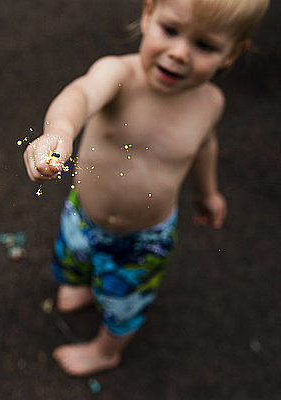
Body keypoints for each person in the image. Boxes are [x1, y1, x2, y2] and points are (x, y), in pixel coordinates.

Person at [23, 0, 269, 376]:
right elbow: (81, 94)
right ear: (147, 15)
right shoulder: (119, 75)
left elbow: (205, 147)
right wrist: (58, 132)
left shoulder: (209, 103)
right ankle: (83, 285)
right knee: (73, 259)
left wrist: (207, 194)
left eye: (204, 45)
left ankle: (107, 350)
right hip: (84, 215)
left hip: (144, 239)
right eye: (170, 30)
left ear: (231, 53)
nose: (179, 53)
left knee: (126, 302)